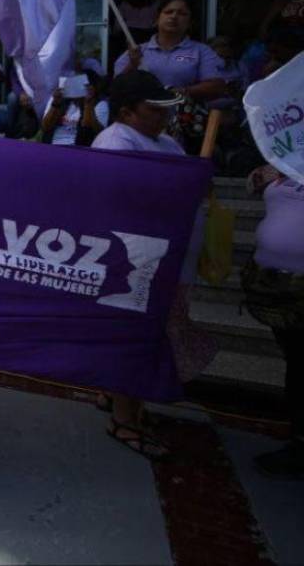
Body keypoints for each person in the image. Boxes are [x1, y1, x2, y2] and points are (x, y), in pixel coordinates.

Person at [91, 71, 217, 461]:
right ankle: (124, 419)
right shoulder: (115, 142)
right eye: (153, 109)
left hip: (170, 261)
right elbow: (127, 197)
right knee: (136, 337)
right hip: (138, 262)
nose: (163, 116)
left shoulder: (165, 142)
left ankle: (117, 397)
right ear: (126, 112)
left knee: (154, 333)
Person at [242, 163, 304, 480]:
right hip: (280, 289)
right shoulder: (289, 158)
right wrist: (264, 175)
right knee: (297, 362)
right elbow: (251, 185)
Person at [114, 0, 226, 104]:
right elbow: (117, 88)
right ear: (156, 19)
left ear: (190, 23)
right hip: (144, 115)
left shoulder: (201, 51)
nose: (174, 16)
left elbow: (217, 86)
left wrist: (182, 91)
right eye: (168, 12)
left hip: (184, 114)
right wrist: (133, 64)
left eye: (182, 13)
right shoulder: (136, 52)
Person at [41, 74, 109, 147]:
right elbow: (45, 127)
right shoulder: (58, 99)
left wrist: (88, 103)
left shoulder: (100, 105)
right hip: (53, 145)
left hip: (77, 148)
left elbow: (89, 129)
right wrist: (55, 104)